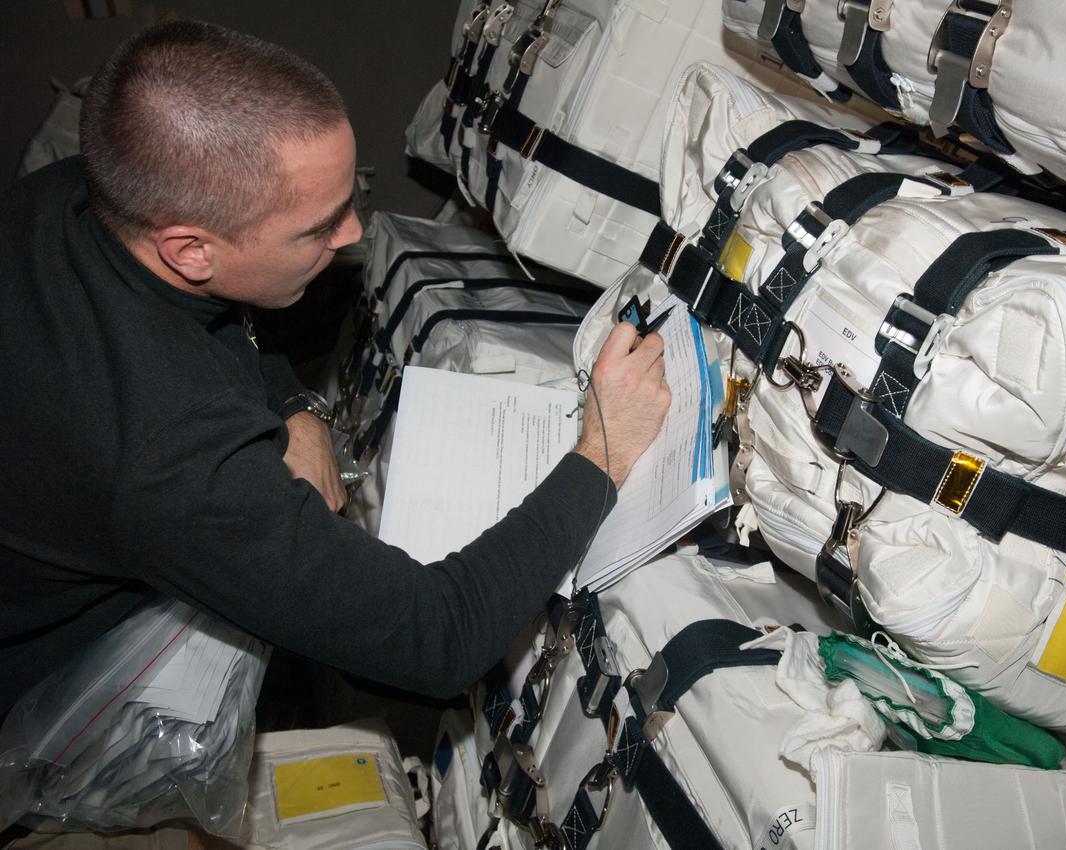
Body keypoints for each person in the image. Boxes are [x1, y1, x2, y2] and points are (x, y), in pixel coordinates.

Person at [0, 20, 670, 722]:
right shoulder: (171, 460)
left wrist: (298, 404)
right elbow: (436, 639)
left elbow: (210, 325)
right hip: (52, 695)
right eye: (318, 228)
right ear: (191, 250)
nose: (352, 233)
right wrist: (603, 451)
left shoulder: (77, 188)